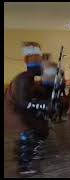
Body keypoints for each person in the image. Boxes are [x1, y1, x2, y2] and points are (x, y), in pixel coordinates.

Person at [4, 42, 52, 175]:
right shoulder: (24, 79)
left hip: (20, 112)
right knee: (29, 133)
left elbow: (32, 95)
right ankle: (24, 166)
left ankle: (29, 151)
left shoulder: (29, 78)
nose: (42, 65)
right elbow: (22, 102)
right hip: (14, 113)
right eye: (39, 62)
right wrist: (42, 105)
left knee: (38, 127)